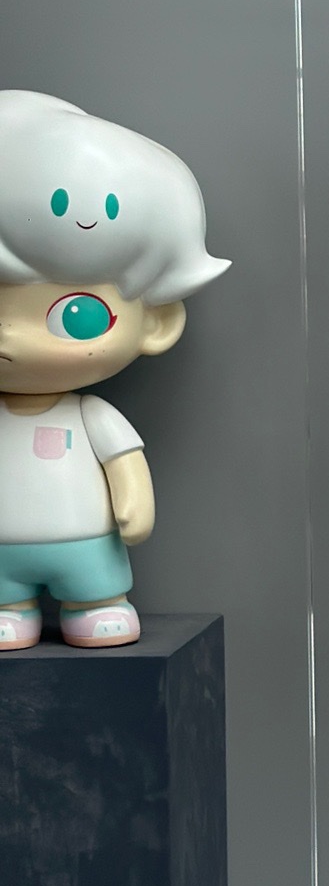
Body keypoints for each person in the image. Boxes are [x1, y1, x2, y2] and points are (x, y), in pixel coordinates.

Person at [0, 91, 229, 648]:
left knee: (97, 588)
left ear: (156, 323)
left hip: (88, 546)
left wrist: (133, 504)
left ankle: (98, 603)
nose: (11, 337)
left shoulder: (92, 416)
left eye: (77, 315)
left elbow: (124, 464)